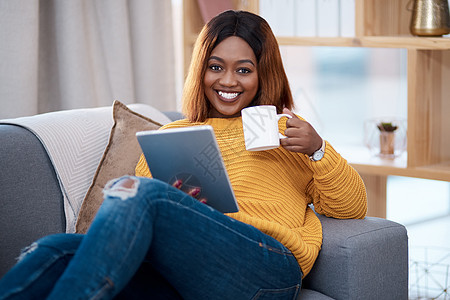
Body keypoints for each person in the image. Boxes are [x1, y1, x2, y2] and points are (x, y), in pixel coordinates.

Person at [0, 10, 367, 300]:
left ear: (262, 74)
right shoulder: (173, 134)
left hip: (266, 269)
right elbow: (138, 212)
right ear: (201, 70)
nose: (227, 81)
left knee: (139, 191)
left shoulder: (287, 130)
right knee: (54, 250)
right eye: (215, 67)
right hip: (184, 275)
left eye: (244, 70)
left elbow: (351, 209)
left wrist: (319, 150)